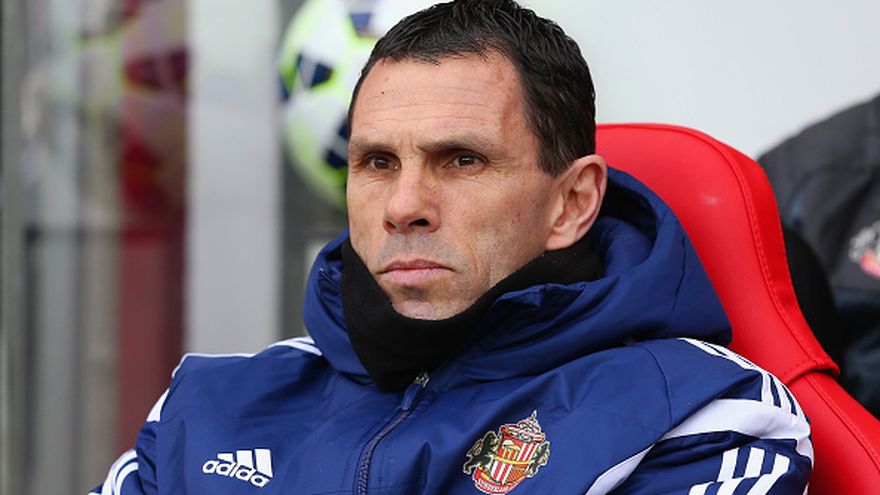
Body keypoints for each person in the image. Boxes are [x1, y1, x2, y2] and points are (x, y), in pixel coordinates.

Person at [91, 1, 812, 493]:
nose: (404, 206)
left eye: (462, 160)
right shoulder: (208, 405)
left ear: (571, 203)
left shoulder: (701, 415)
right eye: (377, 162)